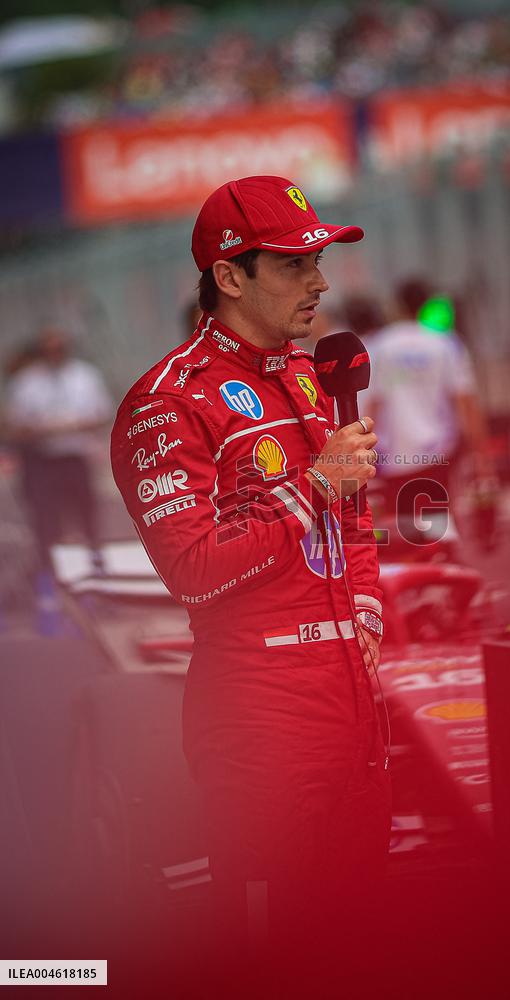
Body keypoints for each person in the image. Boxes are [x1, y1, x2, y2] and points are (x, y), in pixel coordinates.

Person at [110, 175, 390, 985]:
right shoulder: (168, 404)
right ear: (230, 275)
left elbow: (355, 515)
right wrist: (314, 489)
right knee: (272, 959)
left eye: (320, 261)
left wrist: (366, 607)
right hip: (260, 714)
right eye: (297, 265)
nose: (321, 282)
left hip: (353, 706)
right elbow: (192, 569)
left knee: (366, 943)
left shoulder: (311, 374)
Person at [365, 278, 493, 548]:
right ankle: (444, 573)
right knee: (439, 528)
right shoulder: (445, 344)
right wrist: (482, 459)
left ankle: (413, 583)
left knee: (402, 532)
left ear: (397, 306)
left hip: (393, 455)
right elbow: (465, 402)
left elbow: (373, 404)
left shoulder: (380, 345)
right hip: (438, 452)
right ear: (426, 304)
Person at [4, 329, 113, 575]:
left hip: (75, 458)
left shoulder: (85, 376)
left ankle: (97, 573)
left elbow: (102, 414)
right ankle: (51, 579)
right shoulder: (26, 383)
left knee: (87, 518)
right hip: (43, 462)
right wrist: (45, 429)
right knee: (47, 522)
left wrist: (75, 425)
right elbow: (14, 426)